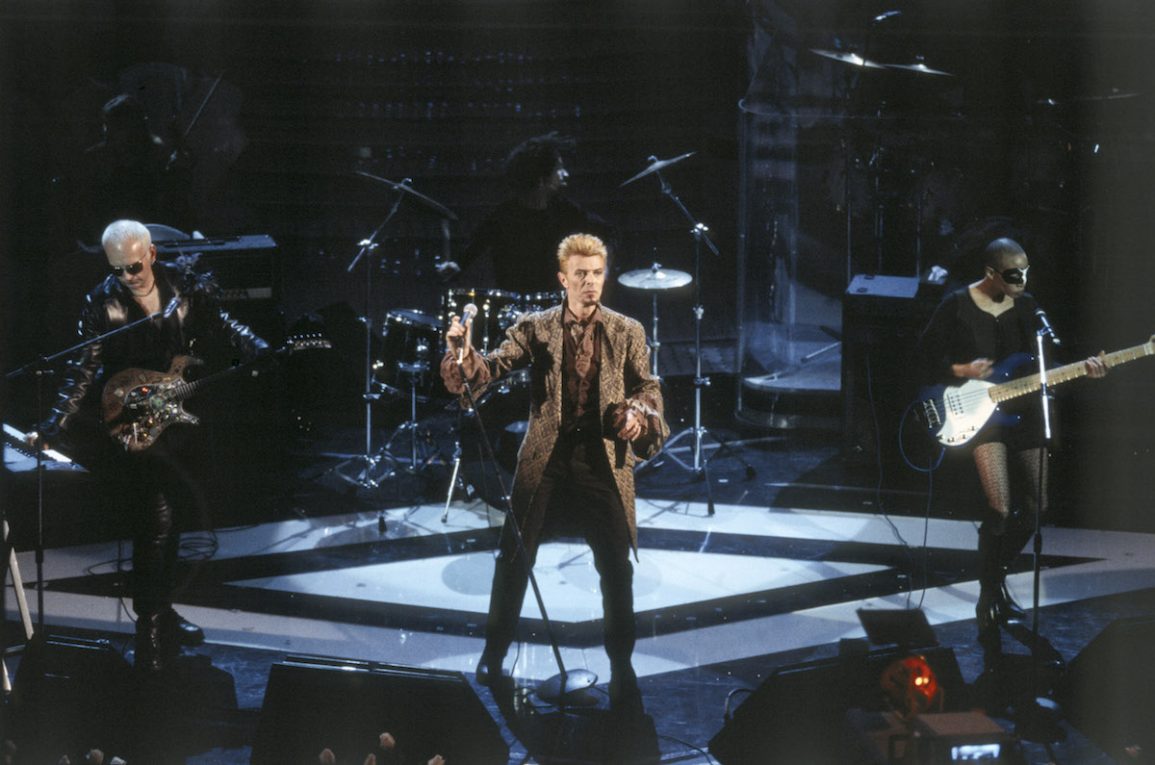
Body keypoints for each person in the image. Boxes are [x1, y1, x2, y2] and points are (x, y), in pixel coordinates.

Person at [30, 219, 269, 673]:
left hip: (176, 419)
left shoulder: (183, 287)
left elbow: (221, 321)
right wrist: (54, 424)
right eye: (117, 269)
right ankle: (150, 630)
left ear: (152, 255)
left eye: (135, 267)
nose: (128, 277)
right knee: (155, 520)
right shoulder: (102, 303)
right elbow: (83, 368)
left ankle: (162, 610)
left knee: (173, 518)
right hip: (132, 425)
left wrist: (254, 343)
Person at [440, 233, 666, 711]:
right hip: (546, 459)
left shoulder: (627, 330)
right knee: (513, 558)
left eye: (597, 273)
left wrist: (638, 415)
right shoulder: (536, 327)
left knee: (616, 567)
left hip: (601, 461)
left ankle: (622, 665)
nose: (590, 282)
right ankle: (494, 653)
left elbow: (648, 388)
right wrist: (463, 355)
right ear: (563, 279)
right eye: (581, 274)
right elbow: (492, 369)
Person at [917, 237, 1106, 657]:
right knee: (1000, 507)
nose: (1023, 280)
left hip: (1024, 415)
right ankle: (989, 596)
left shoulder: (1028, 308)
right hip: (981, 418)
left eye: (1026, 271)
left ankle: (995, 578)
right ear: (991, 273)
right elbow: (922, 357)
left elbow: (1044, 368)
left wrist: (1085, 370)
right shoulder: (956, 305)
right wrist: (961, 368)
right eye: (1014, 273)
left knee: (1038, 505)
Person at [436, 132, 612, 295]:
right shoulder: (502, 217)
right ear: (541, 180)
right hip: (513, 308)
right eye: (559, 169)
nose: (565, 174)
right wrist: (456, 265)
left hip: (556, 307)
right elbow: (474, 247)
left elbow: (609, 233)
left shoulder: (566, 211)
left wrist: (602, 270)